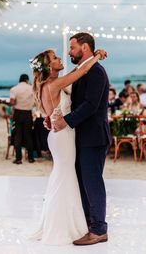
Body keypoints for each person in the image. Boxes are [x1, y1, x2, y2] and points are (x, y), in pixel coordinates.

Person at [29, 39, 107, 245]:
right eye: (55, 58)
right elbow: (79, 73)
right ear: (48, 66)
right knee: (67, 176)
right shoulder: (55, 82)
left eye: (71, 48)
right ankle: (72, 225)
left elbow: (86, 102)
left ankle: (86, 226)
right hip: (63, 135)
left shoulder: (49, 84)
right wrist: (97, 55)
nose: (62, 56)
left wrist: (53, 116)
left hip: (65, 134)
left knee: (68, 176)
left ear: (84, 47)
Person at [53, 32, 111, 246]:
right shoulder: (82, 70)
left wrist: (65, 121)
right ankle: (89, 224)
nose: (69, 52)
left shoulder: (96, 71)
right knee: (84, 183)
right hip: (82, 137)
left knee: (93, 183)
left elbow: (90, 105)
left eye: (72, 47)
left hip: (94, 137)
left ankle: (98, 229)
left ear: (85, 47)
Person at [10, 74, 34, 164]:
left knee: (17, 136)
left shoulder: (14, 89)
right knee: (28, 136)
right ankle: (31, 158)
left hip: (18, 113)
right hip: (28, 113)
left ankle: (18, 158)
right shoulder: (31, 88)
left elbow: (12, 102)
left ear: (19, 80)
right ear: (27, 80)